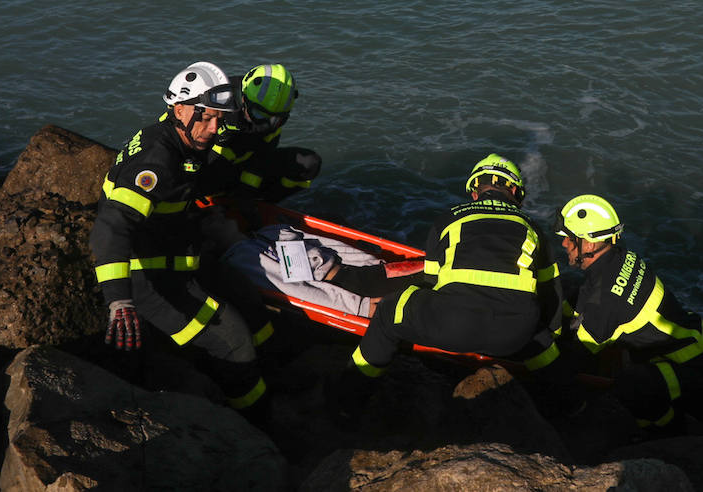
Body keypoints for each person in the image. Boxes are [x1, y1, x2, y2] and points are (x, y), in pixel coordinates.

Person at [89, 61, 276, 419]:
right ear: (179, 109)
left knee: (252, 307)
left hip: (183, 255)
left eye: (219, 119)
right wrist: (119, 301)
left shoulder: (177, 136)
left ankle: (275, 371)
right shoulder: (158, 161)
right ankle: (256, 420)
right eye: (205, 118)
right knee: (235, 341)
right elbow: (111, 225)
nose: (213, 128)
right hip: (151, 279)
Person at [344, 154, 565, 384]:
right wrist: (553, 336)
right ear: (516, 193)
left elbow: (430, 282)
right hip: (512, 336)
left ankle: (353, 390)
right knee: (539, 337)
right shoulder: (534, 228)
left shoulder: (449, 218)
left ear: (474, 192)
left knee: (390, 309)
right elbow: (552, 294)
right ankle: (570, 404)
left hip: (453, 326)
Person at [553, 193, 703, 430]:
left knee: (631, 387)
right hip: (699, 342)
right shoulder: (621, 256)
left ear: (590, 244)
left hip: (692, 368)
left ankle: (666, 430)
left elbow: (577, 354)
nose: (564, 244)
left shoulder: (604, 300)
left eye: (570, 238)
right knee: (570, 292)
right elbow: (589, 296)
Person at [202, 62, 323, 230]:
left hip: (242, 167)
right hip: (207, 171)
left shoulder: (272, 112)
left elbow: (262, 157)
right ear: (244, 98)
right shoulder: (213, 103)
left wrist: (246, 194)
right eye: (259, 114)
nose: (266, 124)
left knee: (308, 163)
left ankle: (264, 204)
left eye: (277, 118)